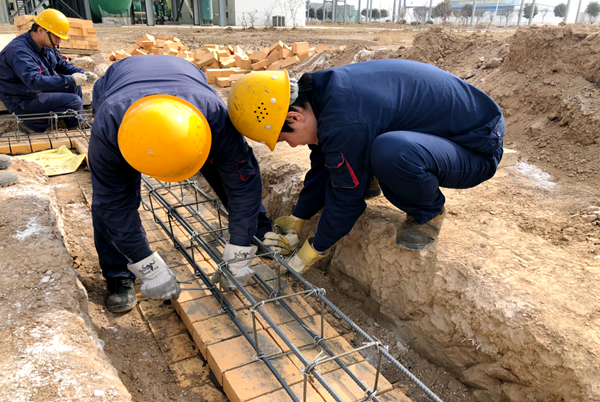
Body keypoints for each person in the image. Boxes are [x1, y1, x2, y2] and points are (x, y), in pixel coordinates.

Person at [228, 59, 504, 273]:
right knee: (357, 150)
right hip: (440, 132)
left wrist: (311, 252)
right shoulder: (321, 96)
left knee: (391, 151)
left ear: (294, 117)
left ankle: (428, 213)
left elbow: (347, 199)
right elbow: (324, 164)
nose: (290, 145)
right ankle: (371, 176)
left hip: (475, 146)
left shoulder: (345, 119)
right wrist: (297, 220)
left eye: (283, 138)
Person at [90, 55, 271, 313]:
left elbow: (244, 182)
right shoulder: (108, 128)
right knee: (111, 198)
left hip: (188, 83)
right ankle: (118, 273)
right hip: (119, 90)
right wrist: (146, 266)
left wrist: (240, 249)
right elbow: (112, 204)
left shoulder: (215, 117)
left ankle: (255, 230)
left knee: (229, 174)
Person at [0, 8, 92, 133]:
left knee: (74, 86)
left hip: (38, 91)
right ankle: (33, 125)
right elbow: (35, 81)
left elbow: (61, 64)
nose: (59, 40)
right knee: (73, 101)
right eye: (56, 36)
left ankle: (75, 124)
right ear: (41, 30)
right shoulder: (19, 52)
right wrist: (70, 79)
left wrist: (82, 73)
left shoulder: (44, 44)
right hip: (23, 100)